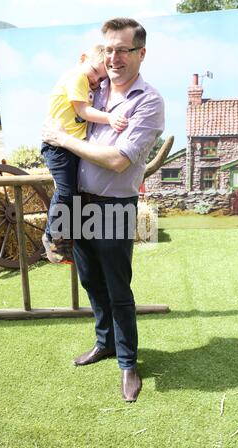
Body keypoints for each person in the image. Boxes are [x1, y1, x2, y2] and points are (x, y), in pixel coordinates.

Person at [42, 18, 165, 402]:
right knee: (90, 281)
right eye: (108, 49)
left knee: (117, 288)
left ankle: (127, 362)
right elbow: (59, 117)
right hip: (79, 203)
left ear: (140, 53)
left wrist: (62, 138)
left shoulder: (149, 101)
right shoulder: (91, 88)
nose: (114, 58)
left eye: (123, 50)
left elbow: (116, 160)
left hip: (114, 206)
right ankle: (105, 343)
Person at [41, 45, 128, 263]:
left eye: (101, 78)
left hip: (70, 146)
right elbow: (82, 111)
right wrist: (109, 118)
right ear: (82, 58)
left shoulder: (85, 80)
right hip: (58, 147)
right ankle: (52, 237)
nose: (96, 81)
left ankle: (65, 240)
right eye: (96, 72)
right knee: (66, 192)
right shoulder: (77, 77)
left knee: (73, 194)